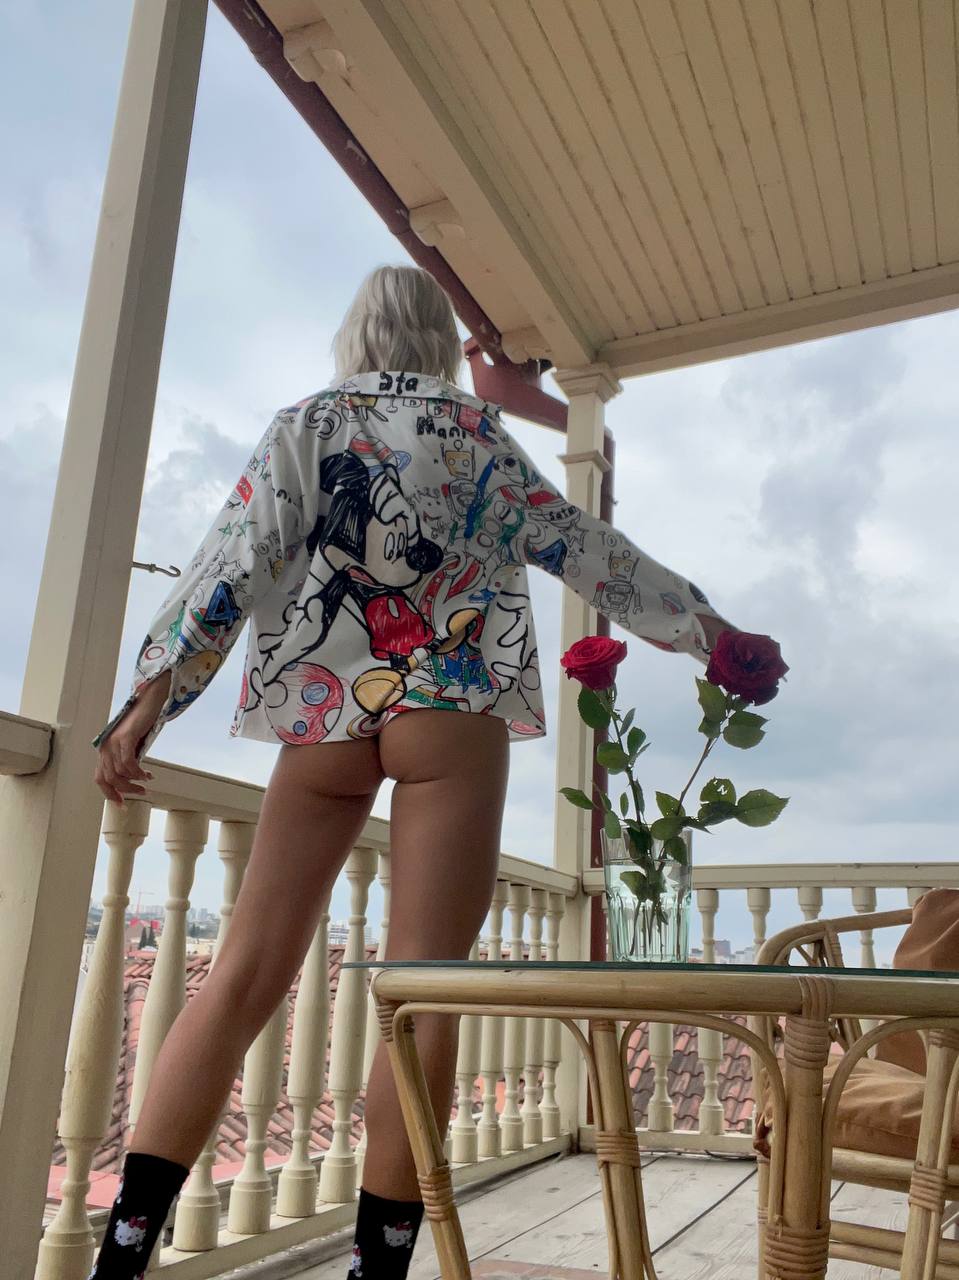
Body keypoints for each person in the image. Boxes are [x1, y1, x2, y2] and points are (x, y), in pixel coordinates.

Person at [88, 264, 732, 1278]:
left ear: (356, 337)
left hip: (322, 711)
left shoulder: (308, 423)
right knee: (424, 990)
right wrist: (708, 632)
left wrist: (150, 698)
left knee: (243, 973)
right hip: (451, 708)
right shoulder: (480, 437)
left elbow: (231, 561)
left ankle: (122, 1251)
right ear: (438, 346)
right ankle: (377, 1269)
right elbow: (589, 551)